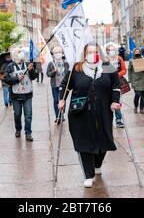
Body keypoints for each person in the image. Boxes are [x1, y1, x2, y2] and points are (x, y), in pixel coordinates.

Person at [58, 43, 121, 188]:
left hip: (103, 112)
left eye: (95, 51)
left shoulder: (108, 67)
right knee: (84, 142)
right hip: (80, 114)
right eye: (90, 52)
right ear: (84, 54)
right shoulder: (77, 68)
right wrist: (62, 99)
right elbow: (65, 85)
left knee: (104, 140)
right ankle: (88, 174)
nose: (93, 54)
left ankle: (97, 164)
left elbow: (116, 86)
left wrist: (115, 102)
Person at [4, 47, 38, 141]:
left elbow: (34, 76)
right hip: (16, 96)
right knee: (17, 114)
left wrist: (31, 70)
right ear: (14, 55)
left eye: (20, 52)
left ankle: (28, 133)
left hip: (27, 95)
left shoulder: (28, 64)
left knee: (28, 114)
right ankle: (18, 129)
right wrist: (16, 79)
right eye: (18, 52)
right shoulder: (10, 66)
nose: (20, 54)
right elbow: (6, 79)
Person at [105, 43, 127, 128]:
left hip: (117, 84)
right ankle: (107, 120)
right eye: (111, 50)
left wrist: (117, 75)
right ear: (107, 51)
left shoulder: (119, 59)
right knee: (107, 102)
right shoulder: (104, 60)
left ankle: (118, 120)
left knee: (117, 101)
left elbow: (124, 70)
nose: (112, 51)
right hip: (107, 84)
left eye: (114, 50)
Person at [46, 47, 69, 124]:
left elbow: (68, 73)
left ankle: (62, 114)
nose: (57, 54)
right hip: (55, 85)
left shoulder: (65, 62)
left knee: (62, 100)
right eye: (56, 53)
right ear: (53, 54)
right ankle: (57, 116)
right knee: (56, 100)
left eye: (59, 52)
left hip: (63, 85)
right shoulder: (51, 63)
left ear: (62, 53)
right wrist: (53, 72)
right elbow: (48, 74)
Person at [128, 48, 144, 114]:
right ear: (134, 53)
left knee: (143, 95)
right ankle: (135, 106)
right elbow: (129, 71)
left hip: (143, 80)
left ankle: (141, 109)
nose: (137, 53)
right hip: (135, 80)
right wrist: (130, 79)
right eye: (136, 52)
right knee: (137, 94)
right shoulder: (131, 61)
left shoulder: (143, 59)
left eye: (138, 51)